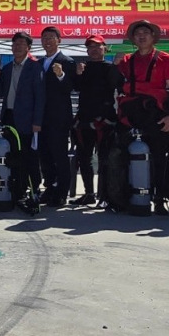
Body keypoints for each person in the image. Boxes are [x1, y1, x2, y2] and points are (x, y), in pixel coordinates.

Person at [115, 19, 169, 215]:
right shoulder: (126, 60)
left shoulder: (165, 59)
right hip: (130, 114)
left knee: (159, 157)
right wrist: (115, 65)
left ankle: (160, 199)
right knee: (124, 155)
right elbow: (114, 83)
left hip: (156, 114)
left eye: (145, 33)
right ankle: (128, 197)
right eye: (137, 34)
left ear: (153, 37)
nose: (141, 36)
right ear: (133, 39)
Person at [0, 31, 44, 201]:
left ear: (28, 47)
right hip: (8, 117)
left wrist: (37, 122)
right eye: (15, 44)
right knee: (13, 155)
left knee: (29, 156)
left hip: (28, 119)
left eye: (21, 44)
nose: (17, 47)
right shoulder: (7, 68)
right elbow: (1, 92)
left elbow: (40, 97)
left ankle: (34, 188)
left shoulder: (35, 67)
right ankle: (17, 188)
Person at [71, 35, 119, 207]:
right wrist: (78, 74)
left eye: (97, 46)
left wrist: (117, 67)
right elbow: (76, 87)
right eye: (90, 47)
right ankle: (89, 193)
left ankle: (105, 195)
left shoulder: (111, 67)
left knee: (105, 160)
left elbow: (116, 85)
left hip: (105, 120)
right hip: (84, 119)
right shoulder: (83, 68)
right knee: (84, 159)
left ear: (105, 48)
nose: (94, 50)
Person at [36, 26, 76, 207]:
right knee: (44, 155)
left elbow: (70, 88)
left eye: (51, 37)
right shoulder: (38, 63)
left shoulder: (67, 61)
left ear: (59, 40)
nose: (47, 41)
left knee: (59, 156)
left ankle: (61, 192)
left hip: (58, 118)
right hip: (41, 117)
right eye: (44, 38)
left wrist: (61, 75)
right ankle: (50, 188)